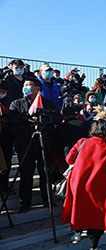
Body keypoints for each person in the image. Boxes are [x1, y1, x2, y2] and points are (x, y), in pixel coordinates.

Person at [61, 114, 106, 250]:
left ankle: (77, 233)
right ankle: (93, 246)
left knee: (78, 208)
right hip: (98, 186)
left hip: (78, 182)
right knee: (97, 217)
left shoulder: (82, 142)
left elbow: (69, 159)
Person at [8, 78, 61, 212]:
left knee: (45, 173)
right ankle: (25, 202)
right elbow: (12, 119)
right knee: (26, 173)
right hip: (25, 143)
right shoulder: (17, 104)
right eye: (25, 85)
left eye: (30, 85)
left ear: (38, 88)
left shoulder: (48, 104)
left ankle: (48, 199)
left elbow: (57, 118)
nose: (26, 87)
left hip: (44, 142)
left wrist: (45, 117)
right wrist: (28, 118)